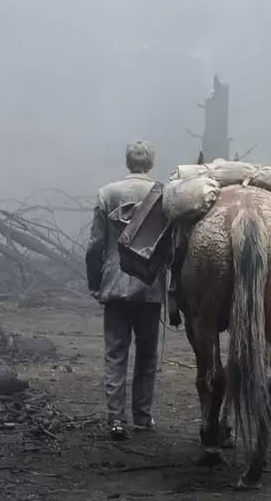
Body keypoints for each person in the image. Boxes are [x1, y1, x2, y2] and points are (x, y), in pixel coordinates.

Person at [85, 140, 166, 441]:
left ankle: (116, 419)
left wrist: (95, 281)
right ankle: (142, 417)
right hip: (149, 284)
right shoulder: (163, 194)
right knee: (147, 355)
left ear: (128, 162)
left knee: (115, 353)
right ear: (151, 162)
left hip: (115, 284)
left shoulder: (107, 194)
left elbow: (95, 245)